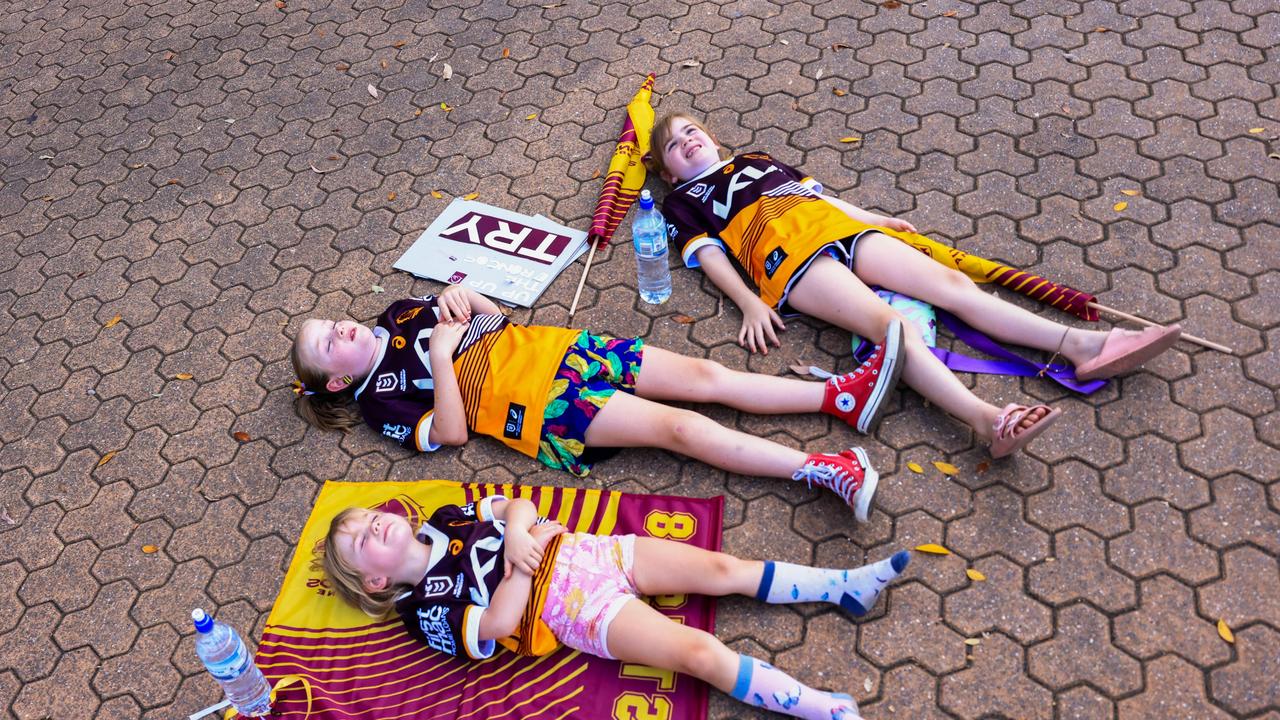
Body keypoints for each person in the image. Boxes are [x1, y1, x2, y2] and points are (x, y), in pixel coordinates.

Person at [649, 113, 1183, 458]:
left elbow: (821, 197)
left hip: (842, 230)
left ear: (713, 135)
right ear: (670, 172)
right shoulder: (681, 202)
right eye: (673, 145)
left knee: (952, 284)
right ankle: (990, 419)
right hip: (790, 262)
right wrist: (747, 303)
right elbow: (709, 254)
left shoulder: (758, 158)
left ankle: (1084, 346)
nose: (687, 141)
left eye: (691, 130)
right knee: (894, 329)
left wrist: (873, 217)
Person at [289, 285, 906, 521]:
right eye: (327, 341)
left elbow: (496, 321)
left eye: (332, 322)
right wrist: (446, 357)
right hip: (538, 408)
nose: (340, 327)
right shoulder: (378, 404)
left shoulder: (395, 314)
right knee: (680, 429)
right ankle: (825, 470)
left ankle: (839, 396)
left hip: (562, 349)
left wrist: (468, 298)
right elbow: (451, 435)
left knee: (704, 375)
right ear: (336, 381)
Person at [315, 494, 912, 719]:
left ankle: (844, 586)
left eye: (372, 518)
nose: (377, 527)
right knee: (699, 654)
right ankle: (823, 711)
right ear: (372, 581)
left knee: (725, 569)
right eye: (363, 540)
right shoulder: (422, 611)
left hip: (593, 549)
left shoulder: (446, 519)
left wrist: (522, 533)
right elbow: (495, 627)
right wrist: (524, 562)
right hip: (576, 607)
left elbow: (512, 507)